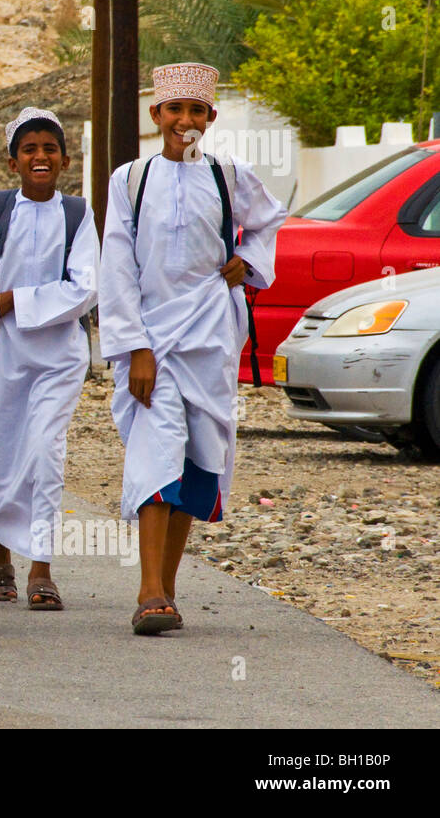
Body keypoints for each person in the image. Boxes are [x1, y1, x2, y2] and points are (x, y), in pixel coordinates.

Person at [98, 62, 286, 635]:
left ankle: (168, 589)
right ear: (155, 115)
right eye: (174, 110)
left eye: (196, 111)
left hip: (210, 338)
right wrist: (136, 349)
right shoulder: (131, 179)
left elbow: (269, 222)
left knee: (198, 458)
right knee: (157, 452)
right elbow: (118, 267)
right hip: (153, 340)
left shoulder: (230, 175)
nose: (185, 120)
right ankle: (148, 590)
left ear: (210, 117)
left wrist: (246, 261)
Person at [0, 108, 98, 611]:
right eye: (30, 150)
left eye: (49, 149)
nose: (40, 156)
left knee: (44, 453)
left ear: (65, 160)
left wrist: (12, 301)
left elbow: (85, 287)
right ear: (12, 162)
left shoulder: (77, 213)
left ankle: (41, 567)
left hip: (57, 357)